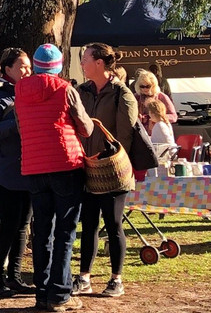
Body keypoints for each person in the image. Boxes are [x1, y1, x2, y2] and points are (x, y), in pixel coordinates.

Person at [14, 42, 93, 313]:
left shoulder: (20, 90)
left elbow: (20, 124)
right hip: (65, 165)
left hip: (34, 166)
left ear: (35, 65)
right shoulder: (66, 89)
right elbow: (85, 127)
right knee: (66, 231)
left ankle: (42, 291)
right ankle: (60, 295)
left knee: (42, 230)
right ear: (58, 67)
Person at [74, 42, 139, 299]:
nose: (82, 63)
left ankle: (116, 279)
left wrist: (106, 158)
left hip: (112, 170)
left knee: (113, 224)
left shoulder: (122, 94)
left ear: (99, 63)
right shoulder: (81, 91)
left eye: (85, 59)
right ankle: (84, 277)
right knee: (88, 224)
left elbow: (125, 138)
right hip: (86, 167)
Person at [0, 47, 34, 297]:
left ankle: (15, 276)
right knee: (9, 225)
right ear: (7, 69)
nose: (27, 71)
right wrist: (15, 125)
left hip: (29, 169)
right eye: (22, 66)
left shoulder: (30, 91)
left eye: (29, 66)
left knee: (23, 226)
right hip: (5, 172)